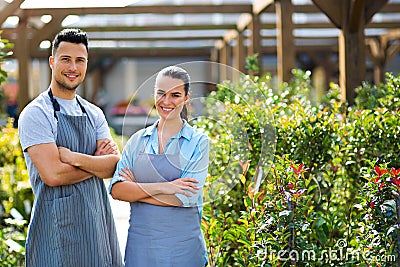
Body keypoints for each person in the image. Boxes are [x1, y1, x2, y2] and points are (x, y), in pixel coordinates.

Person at [18, 28, 123, 267]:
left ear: (87, 64)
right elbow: (53, 174)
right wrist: (96, 163)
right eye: (66, 59)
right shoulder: (36, 114)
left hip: (97, 227)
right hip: (56, 230)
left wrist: (73, 157)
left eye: (80, 60)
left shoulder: (94, 113)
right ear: (52, 62)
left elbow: (113, 166)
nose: (73, 67)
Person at [110, 66, 209, 266]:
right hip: (141, 250)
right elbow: (117, 190)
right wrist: (165, 186)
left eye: (175, 95)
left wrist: (137, 190)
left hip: (183, 251)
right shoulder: (138, 140)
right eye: (161, 93)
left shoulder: (198, 142)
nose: (166, 101)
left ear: (186, 98)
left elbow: (184, 197)